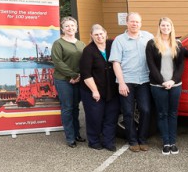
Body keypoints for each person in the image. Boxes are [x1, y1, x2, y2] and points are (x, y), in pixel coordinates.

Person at [146, 17, 188, 155]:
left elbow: (180, 65)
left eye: (168, 25)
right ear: (159, 27)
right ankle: (165, 142)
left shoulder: (177, 44)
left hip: (175, 84)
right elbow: (151, 65)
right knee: (162, 113)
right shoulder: (152, 43)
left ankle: (173, 142)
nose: (165, 28)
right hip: (158, 85)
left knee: (173, 113)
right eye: (163, 25)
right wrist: (162, 82)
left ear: (171, 27)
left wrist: (173, 80)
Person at [110, 12, 153, 152]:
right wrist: (121, 83)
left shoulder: (148, 37)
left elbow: (161, 49)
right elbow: (116, 62)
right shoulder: (119, 40)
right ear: (127, 23)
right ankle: (133, 140)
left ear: (141, 23)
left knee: (145, 110)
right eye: (132, 21)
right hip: (126, 80)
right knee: (128, 112)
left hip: (144, 80)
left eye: (137, 22)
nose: (135, 24)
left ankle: (143, 139)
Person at [79, 24, 119, 152]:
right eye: (96, 34)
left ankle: (108, 141)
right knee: (94, 117)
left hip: (111, 89)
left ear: (105, 33)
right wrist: (94, 91)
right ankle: (94, 140)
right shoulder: (88, 50)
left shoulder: (112, 45)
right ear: (91, 36)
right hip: (93, 90)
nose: (99, 36)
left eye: (101, 33)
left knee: (111, 117)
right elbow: (86, 74)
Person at [52, 16, 86, 148]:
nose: (70, 28)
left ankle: (77, 133)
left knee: (76, 108)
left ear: (76, 28)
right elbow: (58, 62)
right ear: (62, 28)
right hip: (63, 80)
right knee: (67, 108)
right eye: (67, 26)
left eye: (72, 26)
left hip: (78, 79)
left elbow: (85, 61)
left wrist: (79, 76)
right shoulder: (58, 43)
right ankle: (70, 137)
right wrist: (72, 75)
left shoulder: (81, 44)